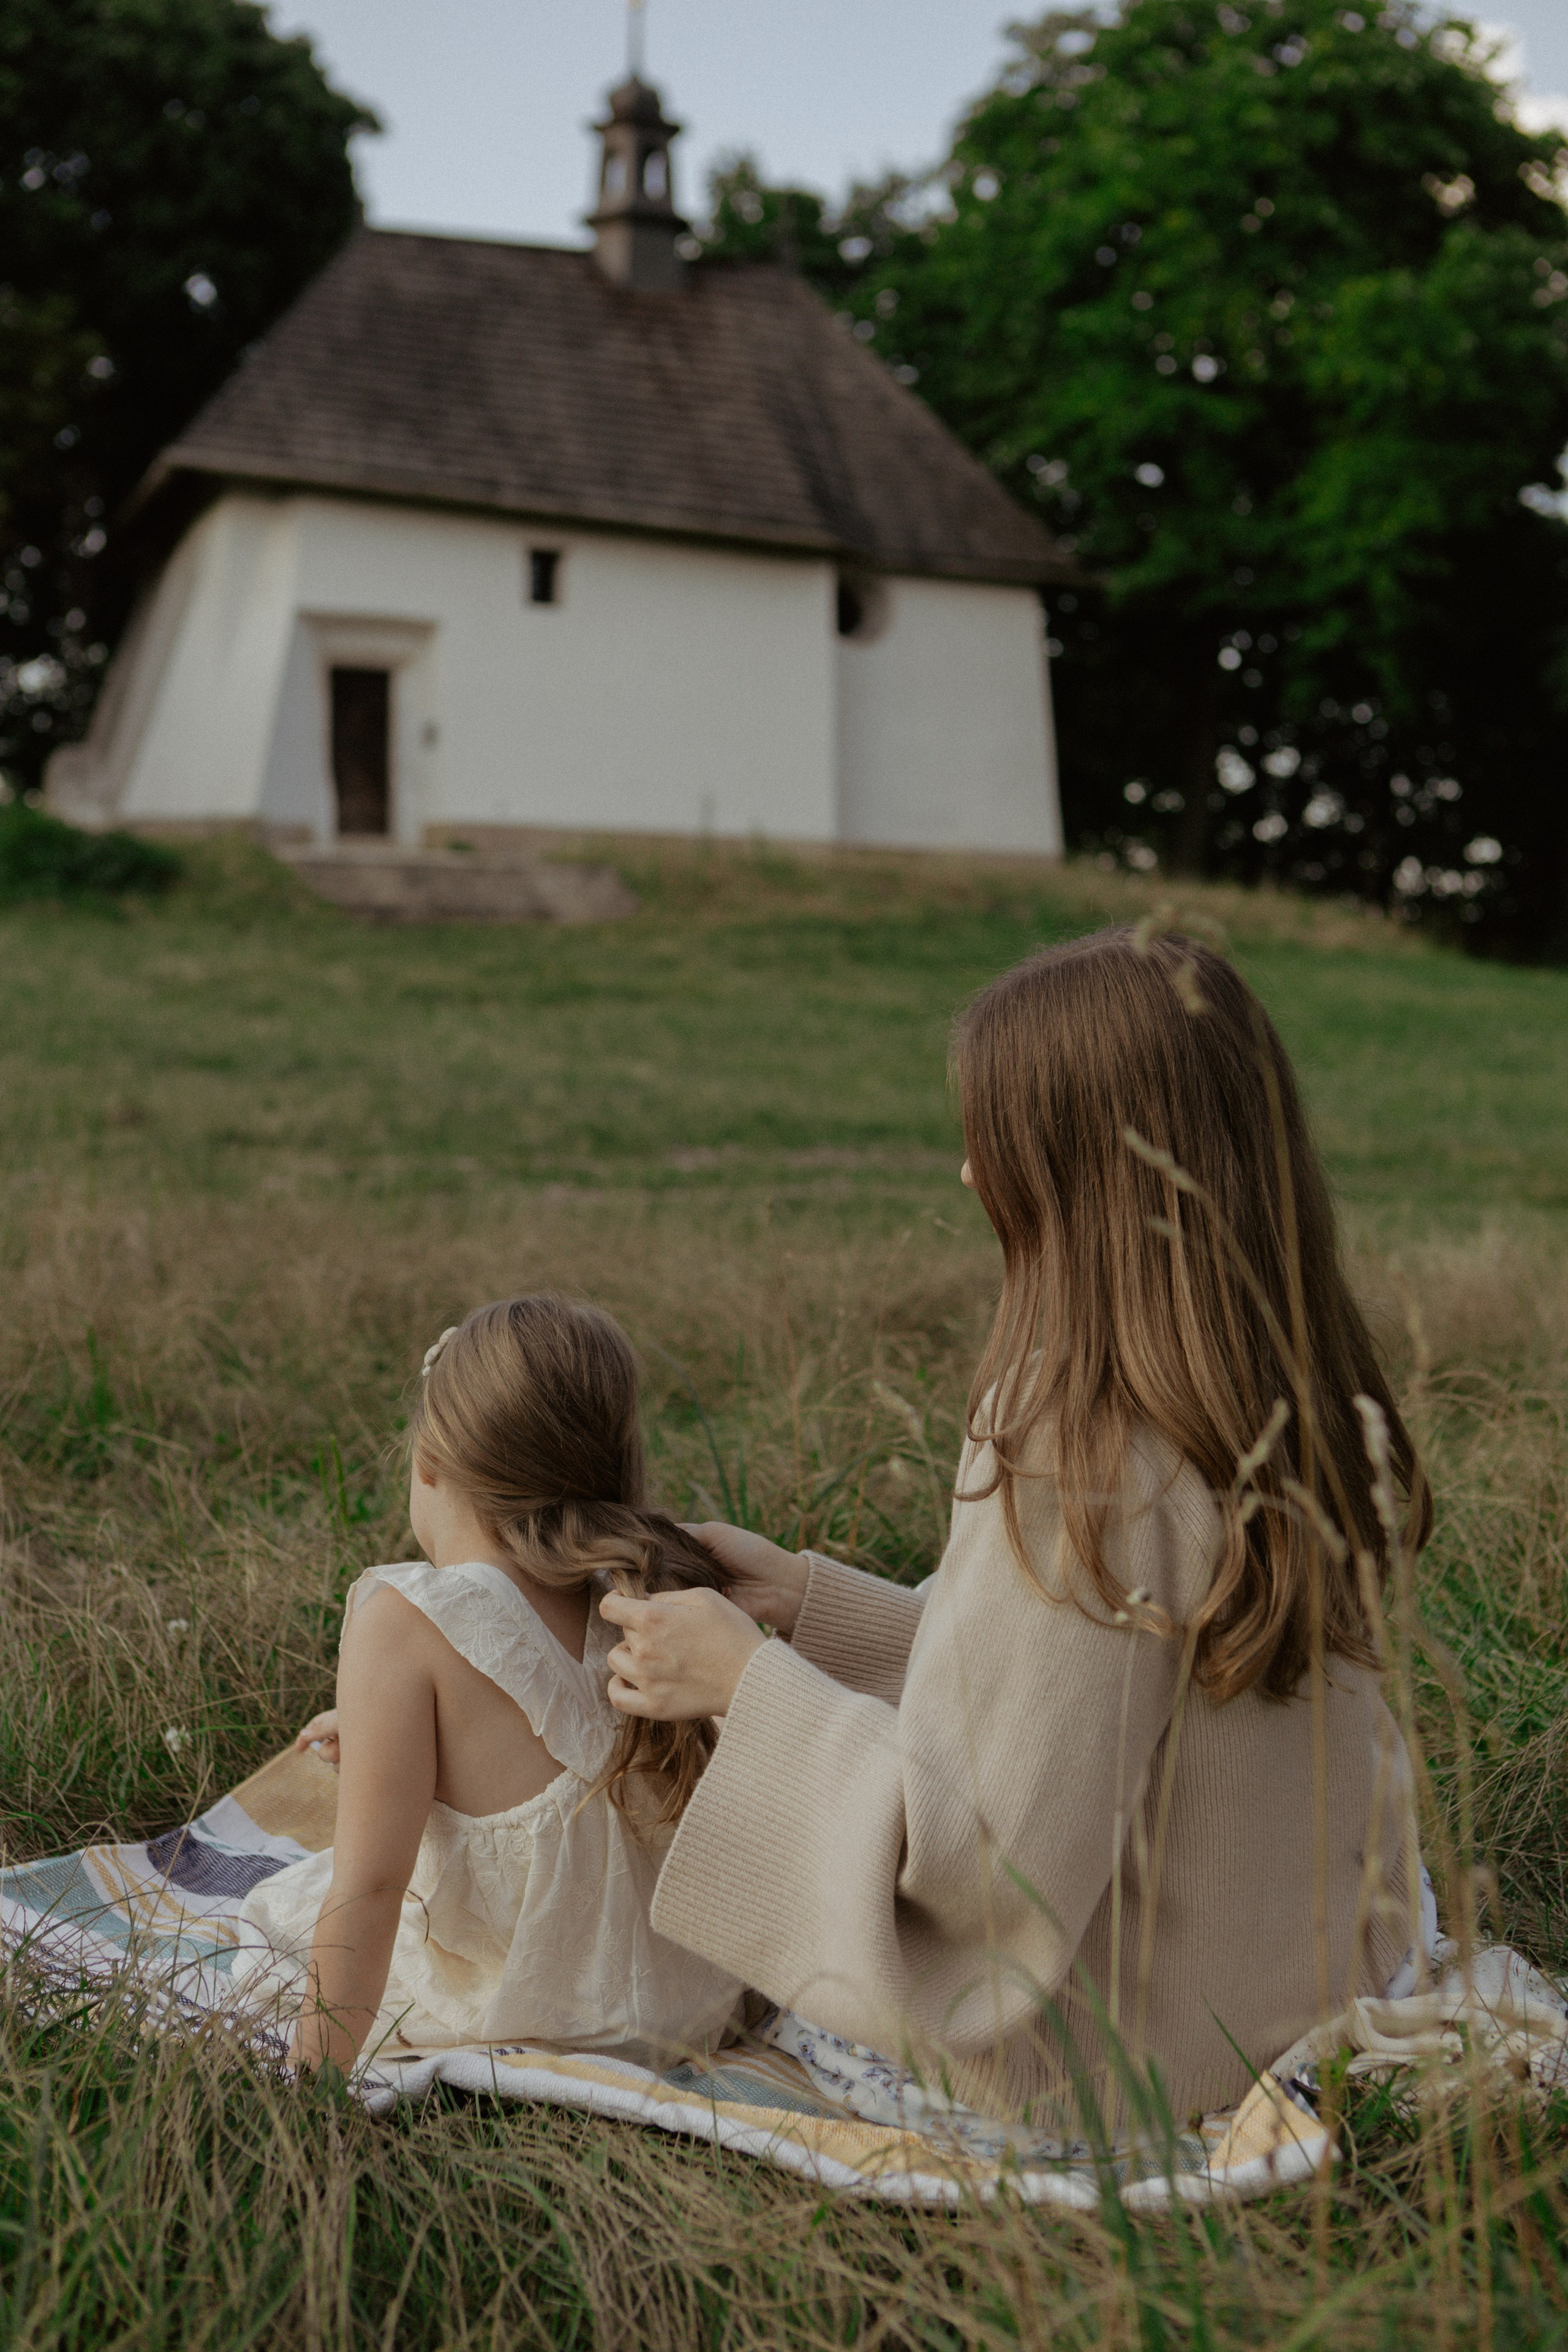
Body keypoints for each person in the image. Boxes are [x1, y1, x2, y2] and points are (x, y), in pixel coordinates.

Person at [600, 928, 1434, 2135]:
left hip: (1109, 2071)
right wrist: (823, 1614)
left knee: (655, 1951)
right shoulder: (1286, 1395)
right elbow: (1106, 1694)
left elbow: (979, 1866)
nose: (964, 1176)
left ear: (1076, 1174)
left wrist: (749, 1685)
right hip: (1290, 1997)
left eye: (991, 1141)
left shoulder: (1070, 1442)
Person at [236, 1295, 742, 2073]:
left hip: (534, 2009)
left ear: (429, 1462)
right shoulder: (649, 1589)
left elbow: (371, 1889)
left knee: (291, 1912)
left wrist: (309, 2085)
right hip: (689, 2004)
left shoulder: (405, 1621)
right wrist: (378, 1727)